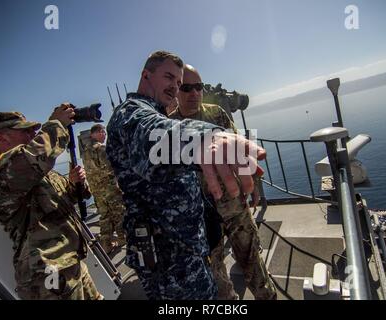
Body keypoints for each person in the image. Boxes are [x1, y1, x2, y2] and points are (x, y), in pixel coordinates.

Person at [106, 51, 266, 300]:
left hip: (192, 245)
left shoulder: (205, 113)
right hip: (171, 265)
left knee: (250, 260)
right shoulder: (131, 114)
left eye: (179, 82)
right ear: (146, 75)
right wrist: (205, 137)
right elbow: (153, 134)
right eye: (170, 77)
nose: (176, 87)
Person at [170, 64, 277, 300]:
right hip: (201, 214)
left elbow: (239, 147)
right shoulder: (169, 127)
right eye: (187, 88)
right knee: (215, 273)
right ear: (176, 90)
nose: (194, 93)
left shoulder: (216, 113)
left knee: (252, 261)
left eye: (198, 87)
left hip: (233, 203)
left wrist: (256, 183)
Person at [0, 106, 102, 300]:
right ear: (1, 138)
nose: (33, 134)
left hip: (70, 264)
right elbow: (34, 157)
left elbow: (66, 199)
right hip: (46, 277)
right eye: (25, 131)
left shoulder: (37, 173)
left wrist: (75, 185)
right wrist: (57, 123)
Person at [82, 124, 126, 253]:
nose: (104, 134)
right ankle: (122, 238)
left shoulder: (85, 151)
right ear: (92, 134)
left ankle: (106, 243)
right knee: (118, 213)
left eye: (104, 132)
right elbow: (110, 168)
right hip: (109, 188)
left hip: (96, 190)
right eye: (100, 132)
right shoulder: (101, 149)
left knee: (104, 215)